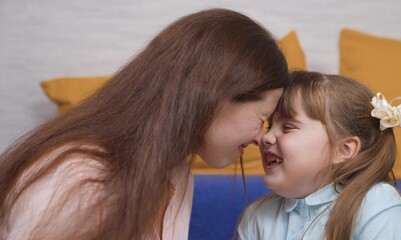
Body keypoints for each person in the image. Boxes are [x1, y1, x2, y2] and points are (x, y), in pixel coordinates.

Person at [0, 8, 289, 240]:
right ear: (215, 95)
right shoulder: (79, 179)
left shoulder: (175, 170)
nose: (258, 140)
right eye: (262, 118)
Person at [237, 71, 401, 240]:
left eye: (288, 127)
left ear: (343, 150)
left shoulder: (376, 203)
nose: (266, 138)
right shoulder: (256, 216)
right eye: (269, 126)